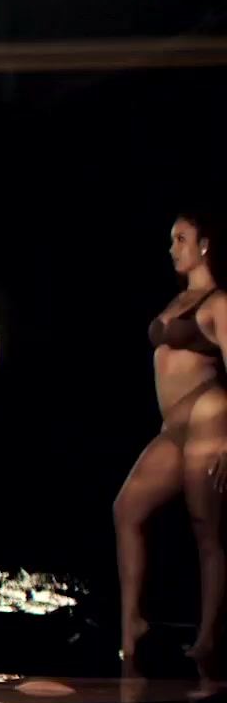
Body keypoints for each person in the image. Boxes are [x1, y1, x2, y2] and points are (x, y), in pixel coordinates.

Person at [115, 209, 227, 670]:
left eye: (181, 239)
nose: (172, 248)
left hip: (209, 415)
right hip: (173, 427)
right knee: (126, 510)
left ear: (205, 244)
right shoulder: (178, 300)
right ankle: (132, 623)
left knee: (206, 528)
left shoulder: (220, 302)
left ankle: (208, 636)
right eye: (171, 240)